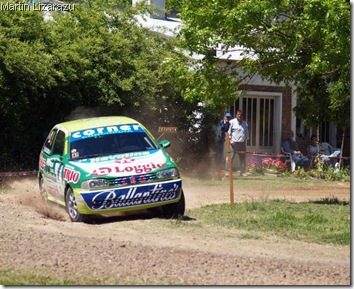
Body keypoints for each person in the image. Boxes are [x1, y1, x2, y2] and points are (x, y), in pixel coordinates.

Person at [227, 110, 249, 176]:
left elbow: (246, 133)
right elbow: (228, 132)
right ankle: (227, 172)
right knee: (230, 157)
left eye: (241, 115)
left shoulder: (245, 123)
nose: (239, 116)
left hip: (242, 143)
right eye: (238, 114)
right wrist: (230, 140)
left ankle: (243, 172)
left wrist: (245, 140)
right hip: (233, 143)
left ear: (242, 116)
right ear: (236, 115)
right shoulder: (231, 122)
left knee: (243, 158)